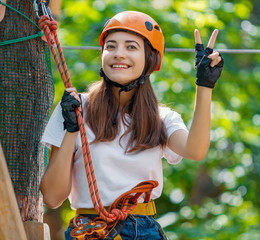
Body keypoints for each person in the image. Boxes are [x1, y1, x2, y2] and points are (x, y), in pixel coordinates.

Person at [40, 10, 223, 240]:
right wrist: (71, 130)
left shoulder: (161, 118)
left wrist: (204, 84)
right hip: (90, 230)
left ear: (150, 59)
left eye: (131, 47)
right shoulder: (75, 107)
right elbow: (52, 197)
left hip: (145, 231)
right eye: (111, 46)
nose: (118, 54)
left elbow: (195, 151)